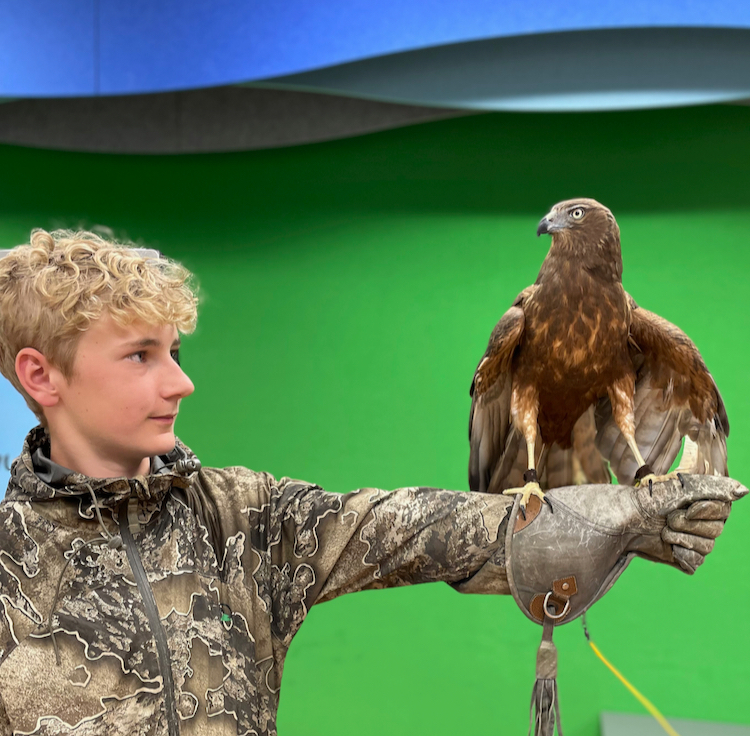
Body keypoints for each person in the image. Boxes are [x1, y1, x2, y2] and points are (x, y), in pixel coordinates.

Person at [0, 229, 742, 736]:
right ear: (41, 375)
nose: (182, 381)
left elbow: (416, 528)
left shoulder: (243, 519)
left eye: (176, 350)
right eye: (140, 356)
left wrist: (618, 515)